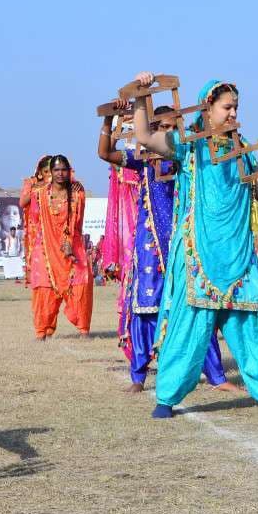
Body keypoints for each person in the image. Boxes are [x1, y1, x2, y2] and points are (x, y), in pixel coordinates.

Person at [127, 73, 258, 418]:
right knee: (187, 332)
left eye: (236, 106)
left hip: (238, 257)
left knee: (253, 331)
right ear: (208, 107)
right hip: (198, 256)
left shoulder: (243, 150)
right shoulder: (188, 144)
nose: (233, 113)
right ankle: (167, 398)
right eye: (227, 107)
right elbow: (144, 135)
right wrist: (141, 94)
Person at [98, 108, 236, 392]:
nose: (167, 133)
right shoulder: (144, 160)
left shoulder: (190, 158)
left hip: (186, 241)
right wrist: (107, 121)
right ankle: (138, 376)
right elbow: (105, 154)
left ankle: (216, 377)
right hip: (150, 243)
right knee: (146, 307)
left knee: (196, 305)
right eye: (161, 127)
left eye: (173, 127)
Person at [24, 155, 92, 337]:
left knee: (81, 282)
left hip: (72, 245)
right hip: (45, 246)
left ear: (69, 171)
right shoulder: (39, 193)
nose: (60, 173)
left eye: (64, 170)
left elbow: (78, 223)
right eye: (56, 170)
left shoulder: (78, 193)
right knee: (44, 288)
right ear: (50, 173)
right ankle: (42, 331)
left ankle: (83, 329)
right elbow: (31, 216)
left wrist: (68, 241)